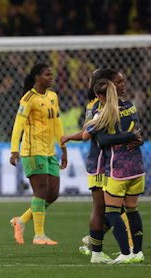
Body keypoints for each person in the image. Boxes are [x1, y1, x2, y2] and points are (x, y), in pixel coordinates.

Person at [61, 69, 136, 263]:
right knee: (108, 207)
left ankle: (95, 243)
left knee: (115, 206)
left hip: (110, 163)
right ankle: (108, 248)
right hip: (102, 163)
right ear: (107, 86)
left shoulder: (118, 105)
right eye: (118, 82)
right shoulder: (98, 105)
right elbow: (88, 133)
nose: (122, 85)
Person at [83, 79, 145, 264]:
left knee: (111, 212)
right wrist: (134, 136)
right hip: (137, 167)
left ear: (100, 96)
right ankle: (137, 253)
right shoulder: (130, 106)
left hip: (118, 168)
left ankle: (125, 253)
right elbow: (137, 131)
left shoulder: (103, 114)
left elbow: (101, 140)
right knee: (132, 209)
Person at [9, 63, 68, 245]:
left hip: (50, 150)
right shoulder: (28, 99)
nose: (51, 77)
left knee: (53, 193)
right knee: (41, 190)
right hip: (32, 150)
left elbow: (57, 123)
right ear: (37, 77)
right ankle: (39, 235)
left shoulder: (53, 96)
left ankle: (21, 221)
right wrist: (14, 150)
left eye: (52, 74)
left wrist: (63, 148)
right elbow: (18, 125)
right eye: (47, 75)